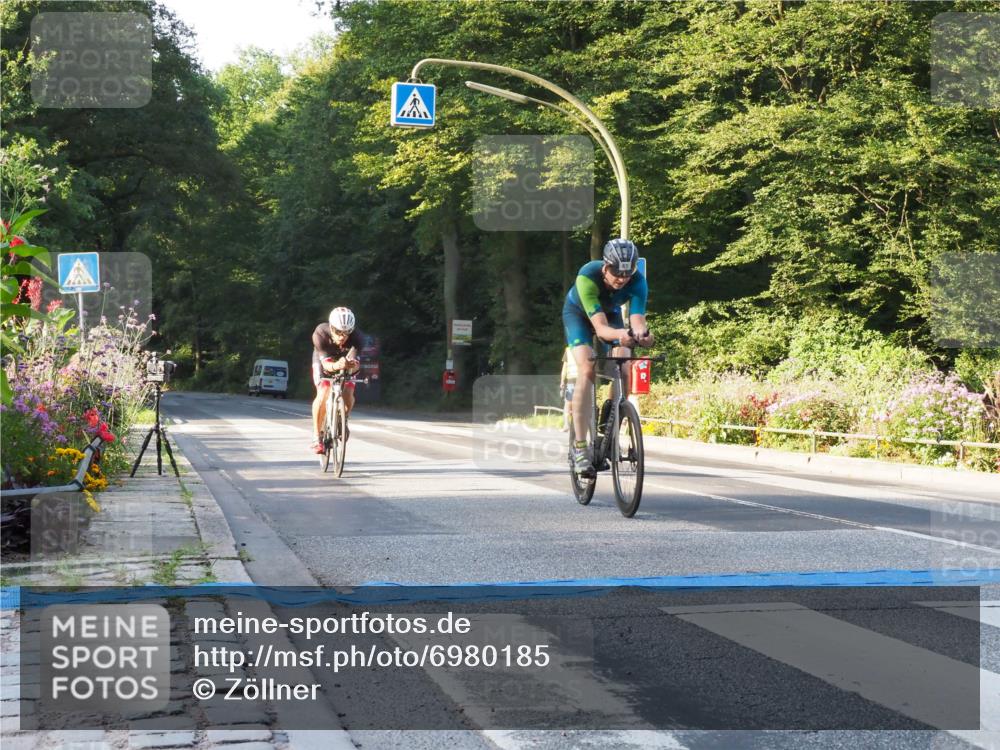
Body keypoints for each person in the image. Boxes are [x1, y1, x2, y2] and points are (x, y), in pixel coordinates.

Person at [562, 239, 654, 474]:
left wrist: (642, 334)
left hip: (611, 315)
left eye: (627, 272)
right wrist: (622, 334)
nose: (621, 278)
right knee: (587, 369)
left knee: (624, 365)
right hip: (580, 317)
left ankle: (611, 416)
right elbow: (601, 329)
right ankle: (580, 448)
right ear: (605, 267)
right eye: (616, 272)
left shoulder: (638, 281)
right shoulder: (587, 276)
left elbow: (637, 320)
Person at [311, 307, 362, 454]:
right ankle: (316, 436)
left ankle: (343, 419)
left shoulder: (357, 338)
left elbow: (355, 367)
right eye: (338, 332)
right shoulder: (320, 333)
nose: (342, 337)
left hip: (345, 360)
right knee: (324, 389)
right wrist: (337, 365)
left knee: (349, 390)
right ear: (331, 327)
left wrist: (350, 366)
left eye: (347, 333)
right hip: (324, 360)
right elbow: (326, 366)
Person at [559, 346, 577, 431]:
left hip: (572, 380)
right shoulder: (585, 347)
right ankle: (574, 426)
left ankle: (567, 425)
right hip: (580, 380)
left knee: (568, 403)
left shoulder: (568, 349)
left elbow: (564, 367)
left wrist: (562, 381)